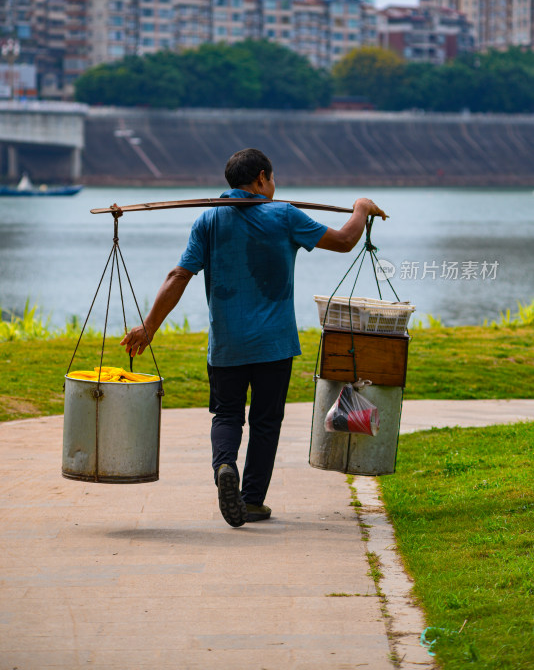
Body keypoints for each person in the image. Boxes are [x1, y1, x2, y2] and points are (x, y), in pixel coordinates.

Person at [121, 148, 387, 528]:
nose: (275, 186)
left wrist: (148, 327)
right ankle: (251, 501)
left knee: (227, 414)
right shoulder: (284, 216)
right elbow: (346, 241)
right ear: (262, 178)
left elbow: (178, 276)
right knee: (266, 421)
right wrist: (360, 207)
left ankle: (225, 466)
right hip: (273, 346)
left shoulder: (208, 220)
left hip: (226, 345)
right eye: (273, 179)